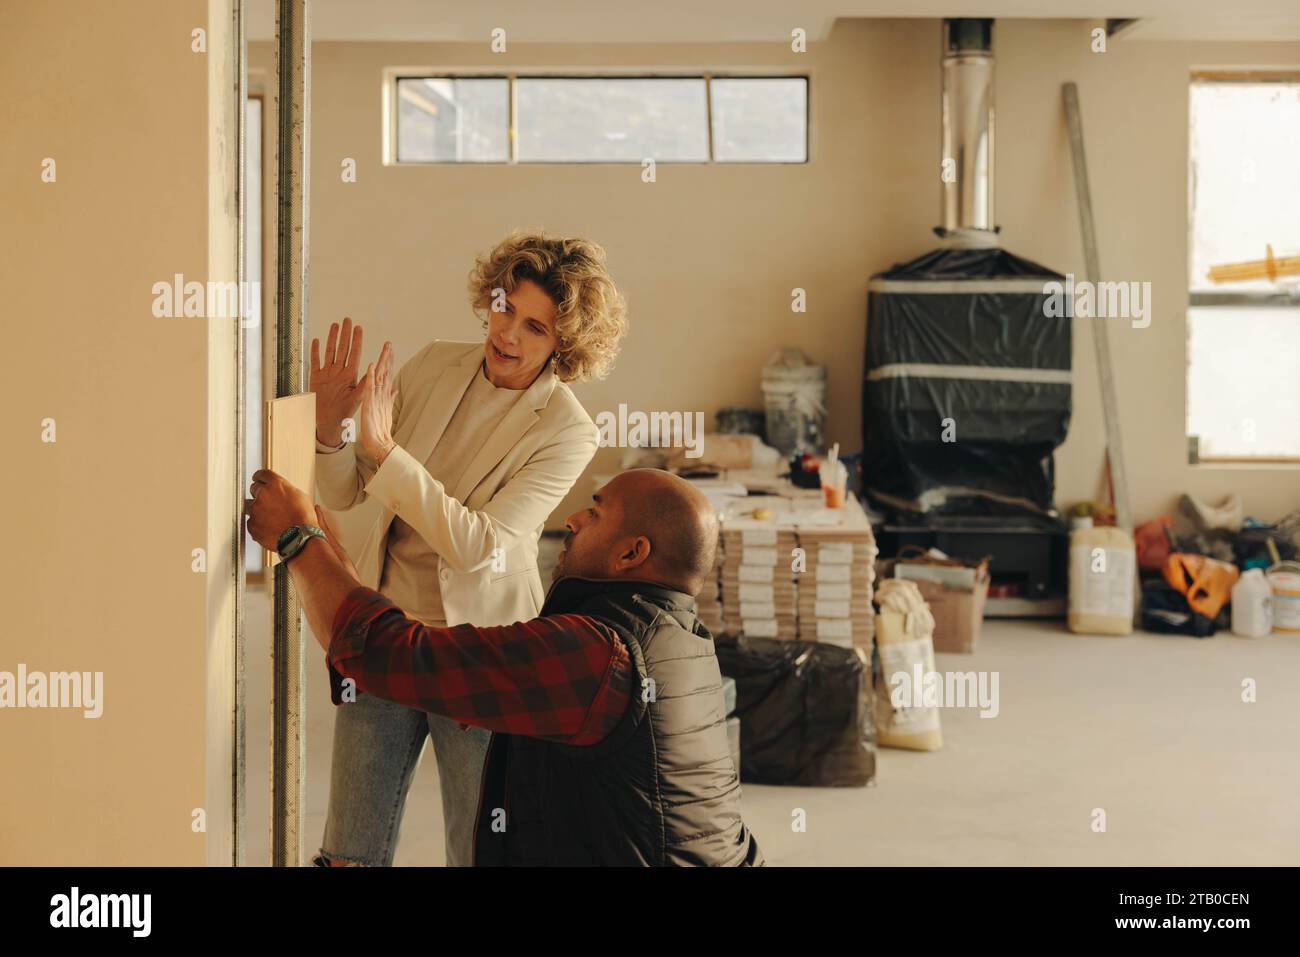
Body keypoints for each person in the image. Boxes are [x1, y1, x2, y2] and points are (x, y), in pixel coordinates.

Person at [245, 467, 764, 867]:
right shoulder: (684, 641)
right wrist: (342, 575)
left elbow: (387, 655)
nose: (573, 520)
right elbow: (429, 654)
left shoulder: (596, 652)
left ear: (632, 552)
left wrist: (297, 540)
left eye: (595, 512)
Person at [309, 231, 627, 866]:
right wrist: (330, 431)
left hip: (484, 655)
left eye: (535, 327)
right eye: (506, 307)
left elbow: (480, 548)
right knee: (347, 853)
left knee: (479, 852)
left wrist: (384, 453)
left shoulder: (569, 431)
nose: (508, 333)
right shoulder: (433, 364)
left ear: (564, 345)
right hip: (387, 639)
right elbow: (349, 492)